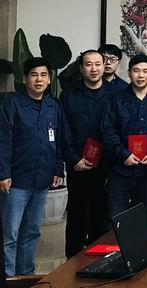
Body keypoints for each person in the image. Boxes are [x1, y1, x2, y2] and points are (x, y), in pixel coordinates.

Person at [0, 58, 67, 276]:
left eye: (44, 75)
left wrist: (57, 168)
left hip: (42, 179)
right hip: (16, 180)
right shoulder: (12, 104)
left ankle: (25, 275)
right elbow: (3, 140)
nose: (39, 79)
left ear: (49, 80)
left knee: (31, 231)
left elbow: (58, 140)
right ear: (25, 78)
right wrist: (3, 173)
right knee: (10, 234)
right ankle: (8, 277)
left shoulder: (52, 106)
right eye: (34, 75)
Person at [60, 50, 111, 258]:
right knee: (76, 214)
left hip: (106, 165)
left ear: (104, 66)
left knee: (101, 214)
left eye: (98, 64)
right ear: (82, 68)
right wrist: (74, 160)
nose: (94, 69)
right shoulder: (68, 95)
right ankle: (73, 260)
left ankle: (97, 259)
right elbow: (64, 131)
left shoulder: (115, 94)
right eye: (89, 64)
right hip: (78, 165)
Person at [101, 54, 147, 223]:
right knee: (116, 220)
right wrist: (123, 155)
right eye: (136, 71)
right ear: (129, 73)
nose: (141, 75)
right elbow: (108, 131)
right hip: (120, 170)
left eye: (145, 71)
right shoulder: (116, 100)